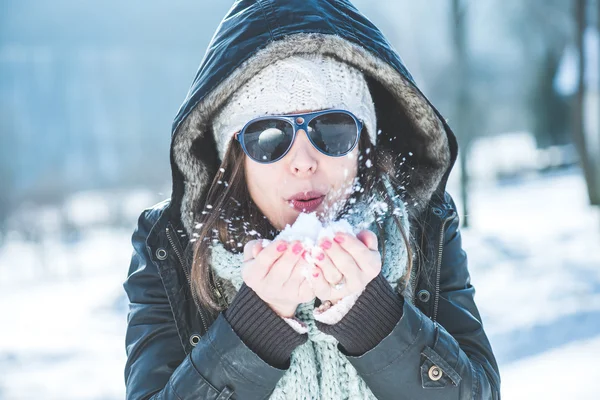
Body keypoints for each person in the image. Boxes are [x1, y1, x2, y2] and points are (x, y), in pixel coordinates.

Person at [123, 1, 501, 399]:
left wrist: (377, 321)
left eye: (332, 130)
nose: (303, 163)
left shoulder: (421, 225)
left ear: (363, 144)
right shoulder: (171, 246)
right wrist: (254, 328)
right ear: (235, 155)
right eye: (269, 137)